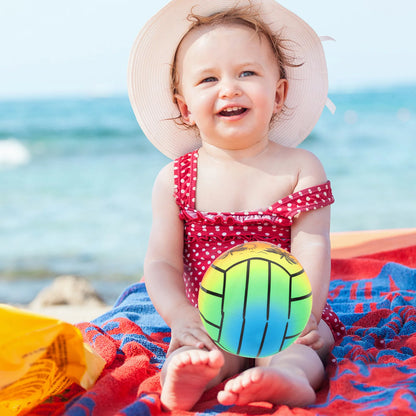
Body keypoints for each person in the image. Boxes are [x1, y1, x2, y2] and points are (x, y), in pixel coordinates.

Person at [127, 0, 345, 410]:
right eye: (209, 78)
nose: (230, 87)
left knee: (308, 349)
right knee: (198, 351)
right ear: (184, 107)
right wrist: (180, 317)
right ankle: (193, 375)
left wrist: (309, 316)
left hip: (288, 313)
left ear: (278, 93)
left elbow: (313, 246)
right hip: (210, 316)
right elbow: (162, 264)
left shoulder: (301, 168)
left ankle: (287, 377)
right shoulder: (175, 180)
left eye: (247, 72)